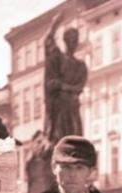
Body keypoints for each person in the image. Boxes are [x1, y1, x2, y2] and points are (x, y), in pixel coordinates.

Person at [44, 12, 88, 143]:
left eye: (76, 39)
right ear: (65, 40)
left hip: (73, 108)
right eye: (71, 38)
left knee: (76, 140)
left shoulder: (81, 66)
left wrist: (62, 86)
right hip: (60, 108)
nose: (74, 41)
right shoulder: (58, 57)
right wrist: (54, 25)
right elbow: (48, 42)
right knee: (60, 139)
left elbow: (80, 86)